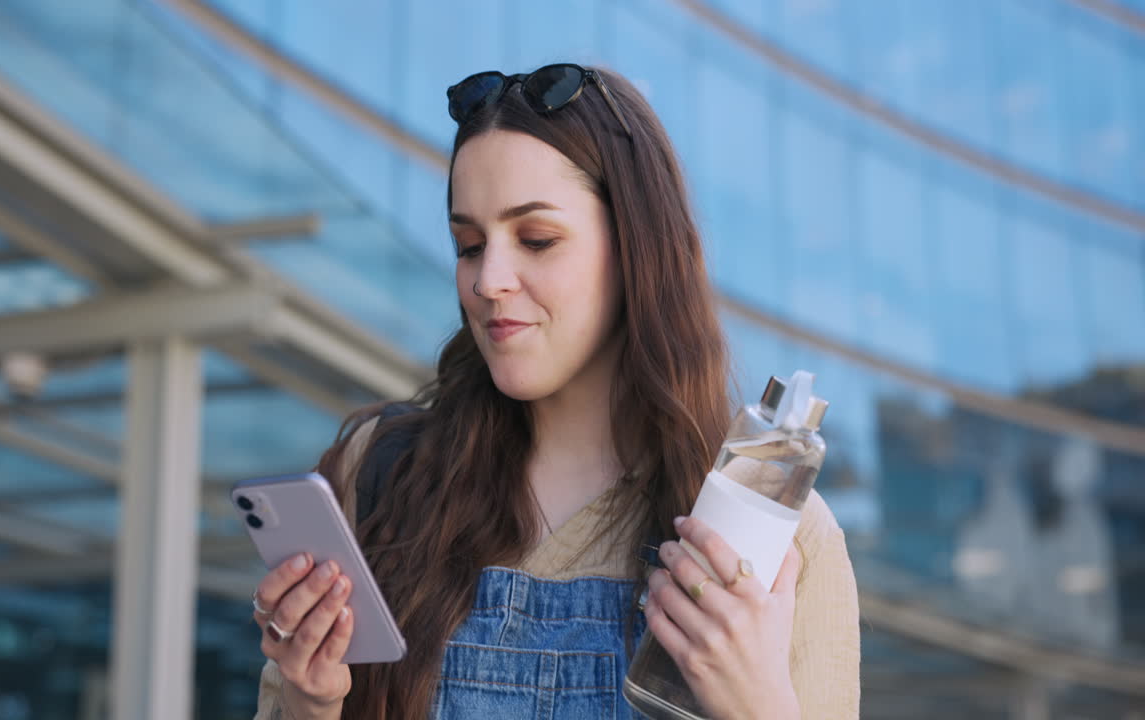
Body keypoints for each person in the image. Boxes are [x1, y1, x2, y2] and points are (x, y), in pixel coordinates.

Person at [249, 63, 860, 719]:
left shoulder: (777, 540)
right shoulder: (379, 478)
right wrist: (311, 703)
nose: (489, 280)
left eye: (536, 239)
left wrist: (756, 706)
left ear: (637, 251)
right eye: (469, 245)